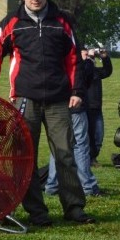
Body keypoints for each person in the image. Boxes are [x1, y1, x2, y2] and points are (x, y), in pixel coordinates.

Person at [0, 0, 95, 226]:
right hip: (24, 100)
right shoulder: (12, 23)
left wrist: (77, 92)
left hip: (59, 100)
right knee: (25, 157)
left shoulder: (62, 22)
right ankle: (37, 213)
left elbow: (74, 59)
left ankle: (74, 209)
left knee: (65, 154)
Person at [45, 46, 103, 196]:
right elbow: (86, 77)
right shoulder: (78, 64)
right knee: (80, 146)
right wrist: (89, 60)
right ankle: (88, 186)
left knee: (58, 146)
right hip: (76, 107)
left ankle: (52, 185)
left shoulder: (55, 62)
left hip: (57, 107)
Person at [84, 46, 113, 167]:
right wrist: (89, 57)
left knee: (98, 136)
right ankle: (87, 160)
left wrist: (105, 57)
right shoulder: (81, 70)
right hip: (84, 108)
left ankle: (93, 158)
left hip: (96, 108)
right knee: (86, 136)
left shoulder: (95, 71)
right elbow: (86, 72)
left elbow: (107, 71)